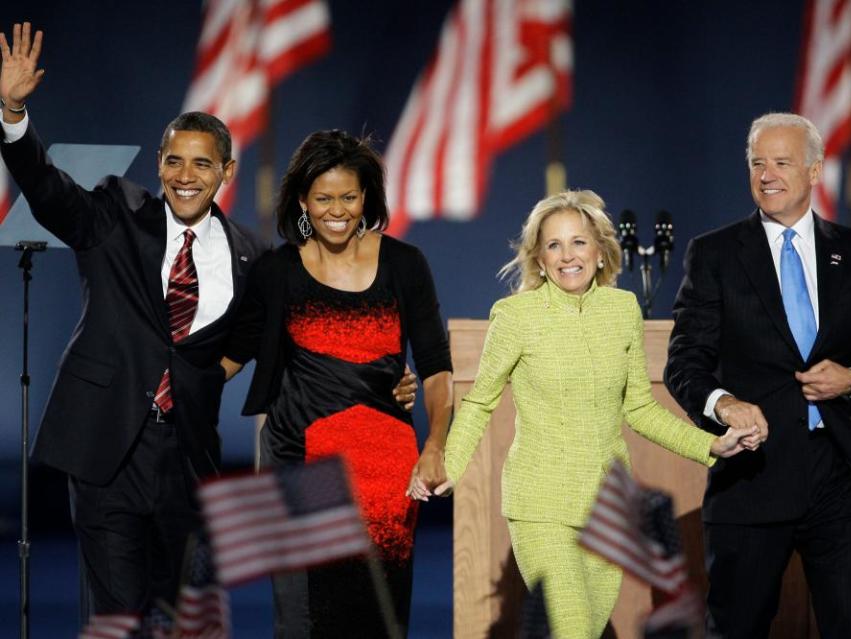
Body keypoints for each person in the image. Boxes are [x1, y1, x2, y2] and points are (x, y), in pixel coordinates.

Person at [0, 23, 268, 616]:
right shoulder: (115, 213)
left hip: (187, 458)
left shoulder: (250, 252)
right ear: (160, 163)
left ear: (226, 171)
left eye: (202, 164)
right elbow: (47, 191)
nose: (185, 175)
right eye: (174, 160)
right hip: (105, 447)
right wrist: (13, 112)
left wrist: (210, 374)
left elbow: (255, 326)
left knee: (178, 613)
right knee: (118, 612)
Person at [436, 190, 758, 639]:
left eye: (578, 242)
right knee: (569, 629)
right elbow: (479, 401)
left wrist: (711, 444)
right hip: (540, 505)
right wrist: (447, 465)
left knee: (586, 630)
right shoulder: (515, 316)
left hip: (607, 508)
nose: (568, 256)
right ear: (539, 258)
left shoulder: (623, 309)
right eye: (554, 245)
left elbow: (641, 409)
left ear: (601, 250)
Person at [664, 112, 851, 638]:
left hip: (838, 473)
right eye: (757, 163)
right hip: (752, 472)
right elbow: (684, 362)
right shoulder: (715, 254)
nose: (767, 174)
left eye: (782, 162)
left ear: (814, 172)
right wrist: (723, 405)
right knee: (736, 628)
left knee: (845, 628)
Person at [221, 129, 453, 638]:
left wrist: (435, 446)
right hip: (296, 462)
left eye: (348, 197)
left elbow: (436, 367)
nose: (337, 210)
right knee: (302, 621)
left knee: (377, 619)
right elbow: (231, 357)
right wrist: (157, 376)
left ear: (365, 195)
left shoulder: (405, 265)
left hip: (384, 469)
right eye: (323, 198)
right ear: (303, 199)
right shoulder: (277, 271)